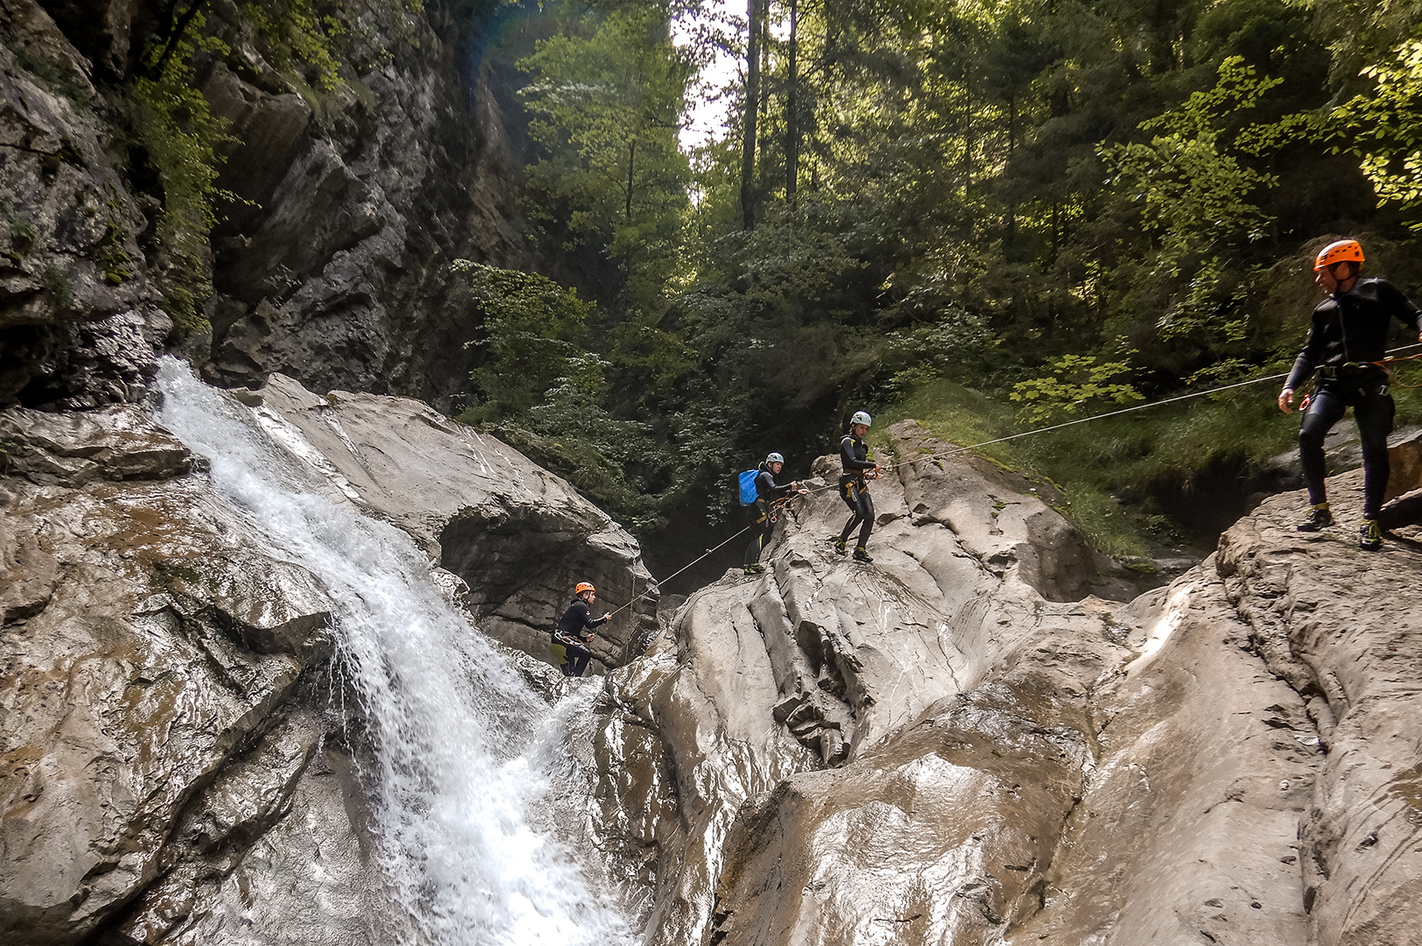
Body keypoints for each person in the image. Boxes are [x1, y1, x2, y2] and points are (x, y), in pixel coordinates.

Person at [1278, 238, 1422, 552]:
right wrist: (1289, 385)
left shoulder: (1378, 291)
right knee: (1308, 434)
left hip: (1371, 382)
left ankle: (1370, 519)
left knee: (1374, 445)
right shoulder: (1324, 310)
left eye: (1322, 272)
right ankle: (1319, 509)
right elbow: (1308, 353)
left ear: (1343, 268)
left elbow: (1414, 314)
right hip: (1331, 383)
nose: (1318, 280)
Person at [744, 452, 807, 574]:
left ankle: (749, 564)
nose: (779, 467)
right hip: (758, 507)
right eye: (777, 464)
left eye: (780, 465)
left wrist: (797, 492)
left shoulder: (764, 475)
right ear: (769, 464)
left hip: (755, 507)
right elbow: (774, 489)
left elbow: (777, 493)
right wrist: (791, 486)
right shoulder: (766, 475)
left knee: (756, 535)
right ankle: (752, 564)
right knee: (759, 535)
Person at [835, 410, 882, 562]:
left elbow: (859, 468)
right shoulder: (847, 442)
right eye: (861, 427)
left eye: (866, 429)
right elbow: (852, 462)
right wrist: (873, 465)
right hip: (848, 482)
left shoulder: (863, 446)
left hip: (859, 482)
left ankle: (860, 549)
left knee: (870, 514)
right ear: (854, 426)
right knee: (859, 512)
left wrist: (868, 474)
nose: (864, 431)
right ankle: (841, 542)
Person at [551, 581, 610, 677]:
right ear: (585, 594)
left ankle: (572, 682)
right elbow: (590, 624)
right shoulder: (581, 605)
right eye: (592, 594)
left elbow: (571, 631)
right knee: (586, 653)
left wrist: (584, 639)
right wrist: (604, 619)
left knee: (569, 675)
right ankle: (577, 679)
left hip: (558, 641)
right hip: (562, 639)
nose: (594, 597)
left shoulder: (576, 606)